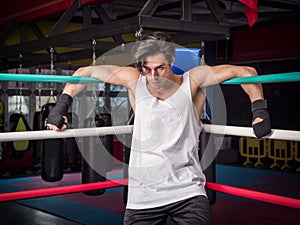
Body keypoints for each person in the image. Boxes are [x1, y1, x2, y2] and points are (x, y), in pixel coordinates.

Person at [47, 32, 271, 225]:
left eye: (159, 68)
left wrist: (259, 111)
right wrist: (61, 107)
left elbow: (245, 71)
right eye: (146, 68)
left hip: (187, 191)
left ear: (172, 60)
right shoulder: (135, 80)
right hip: (142, 197)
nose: (152, 76)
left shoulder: (191, 82)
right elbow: (84, 72)